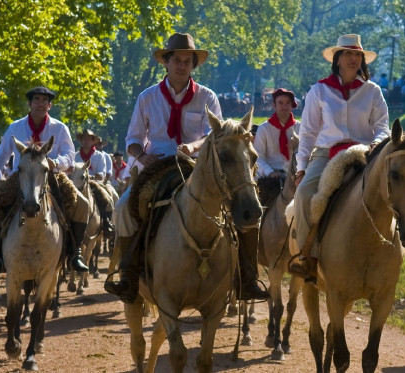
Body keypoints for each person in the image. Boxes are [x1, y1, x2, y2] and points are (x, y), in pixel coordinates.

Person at [104, 32, 267, 303]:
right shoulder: (147, 97)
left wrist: (192, 147)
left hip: (196, 166)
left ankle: (247, 277)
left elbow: (212, 134)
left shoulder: (207, 96)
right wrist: (143, 157)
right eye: (176, 60)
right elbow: (133, 139)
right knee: (122, 208)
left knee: (242, 203)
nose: (182, 65)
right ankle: (129, 276)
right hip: (156, 166)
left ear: (194, 65)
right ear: (166, 62)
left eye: (187, 61)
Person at [287, 34, 405, 281]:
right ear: (338, 59)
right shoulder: (318, 90)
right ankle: (308, 256)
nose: (353, 59)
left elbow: (382, 125)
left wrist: (376, 143)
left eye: (357, 55)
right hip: (326, 153)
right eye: (348, 54)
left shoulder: (372, 91)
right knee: (305, 193)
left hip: (365, 152)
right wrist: (300, 169)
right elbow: (307, 132)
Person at [0, 86, 90, 275]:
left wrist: (56, 163)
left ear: (50, 105)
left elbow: (69, 155)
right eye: (36, 99)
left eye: (45, 100)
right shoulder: (15, 127)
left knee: (83, 205)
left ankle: (74, 254)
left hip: (51, 175)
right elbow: (1, 154)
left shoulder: (60, 128)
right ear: (29, 104)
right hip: (19, 177)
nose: (40, 104)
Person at [75, 129, 115, 234]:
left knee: (110, 197)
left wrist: (89, 177)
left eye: (89, 139)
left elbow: (102, 174)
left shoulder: (99, 156)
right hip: (77, 183)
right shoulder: (75, 156)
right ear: (81, 141)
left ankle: (107, 223)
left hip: (96, 183)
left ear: (93, 141)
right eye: (84, 139)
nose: (86, 141)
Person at [254, 88, 300, 178]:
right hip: (268, 175)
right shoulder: (264, 129)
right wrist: (270, 173)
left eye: (288, 103)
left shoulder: (300, 128)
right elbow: (258, 157)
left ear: (292, 105)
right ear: (274, 105)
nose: (284, 106)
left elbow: (306, 153)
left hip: (294, 175)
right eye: (280, 103)